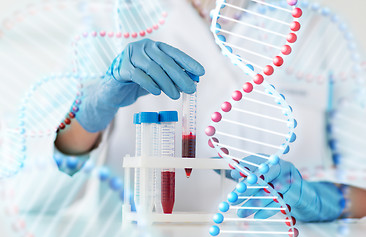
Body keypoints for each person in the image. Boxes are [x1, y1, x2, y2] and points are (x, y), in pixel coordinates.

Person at [54, 0, 366, 222]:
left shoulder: (319, 30)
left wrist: (315, 199)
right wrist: (89, 112)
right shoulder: (107, 18)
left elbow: (362, 187)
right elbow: (34, 192)